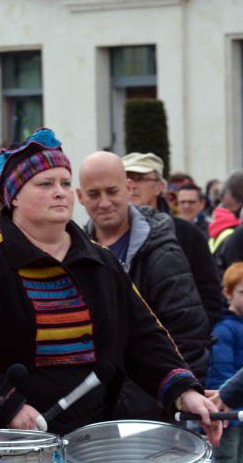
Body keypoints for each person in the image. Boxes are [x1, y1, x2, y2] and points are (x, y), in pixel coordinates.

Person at [0, 128, 220, 444]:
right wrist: (10, 404)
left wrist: (184, 391)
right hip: (17, 440)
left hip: (96, 435)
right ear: (13, 197)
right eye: (45, 184)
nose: (60, 192)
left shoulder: (101, 262)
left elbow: (142, 336)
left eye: (65, 183)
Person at [76, 151, 211, 417]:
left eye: (112, 191)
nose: (104, 203)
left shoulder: (162, 252)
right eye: (94, 194)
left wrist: (174, 396)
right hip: (92, 413)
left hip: (152, 410)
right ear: (80, 197)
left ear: (128, 189)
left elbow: (188, 334)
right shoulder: (75, 253)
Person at [123, 152, 223, 327]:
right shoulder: (104, 234)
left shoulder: (187, 234)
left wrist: (193, 334)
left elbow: (210, 296)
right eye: (125, 178)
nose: (132, 185)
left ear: (159, 187)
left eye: (139, 178)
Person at [205, 262, 243, 463]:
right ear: (228, 293)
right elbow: (220, 373)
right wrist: (223, 411)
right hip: (229, 414)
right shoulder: (225, 329)